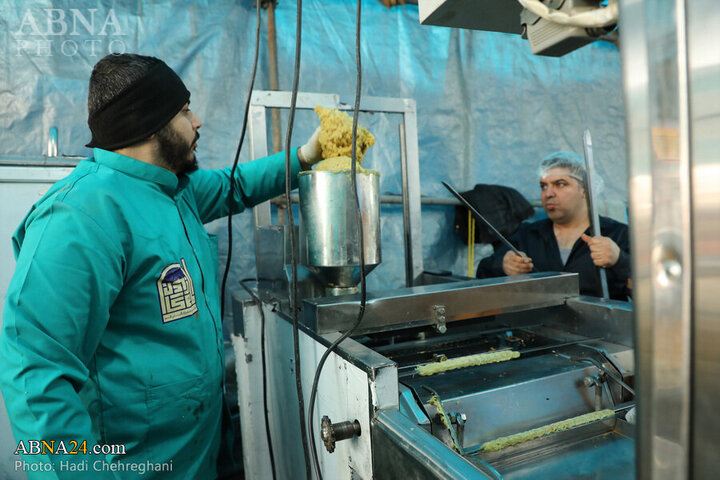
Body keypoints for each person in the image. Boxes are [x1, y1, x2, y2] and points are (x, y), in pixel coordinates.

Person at [0, 53, 323, 479]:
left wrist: (305, 155)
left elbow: (237, 185)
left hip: (196, 458)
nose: (198, 121)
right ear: (151, 123)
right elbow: (36, 372)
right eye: (185, 110)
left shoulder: (173, 189)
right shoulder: (82, 215)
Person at [476, 151, 631, 300]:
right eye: (543, 186)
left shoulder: (619, 235)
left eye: (560, 184)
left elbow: (650, 292)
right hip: (537, 326)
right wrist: (503, 265)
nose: (548, 193)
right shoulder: (527, 235)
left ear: (585, 190)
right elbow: (482, 275)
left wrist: (619, 261)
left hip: (600, 325)